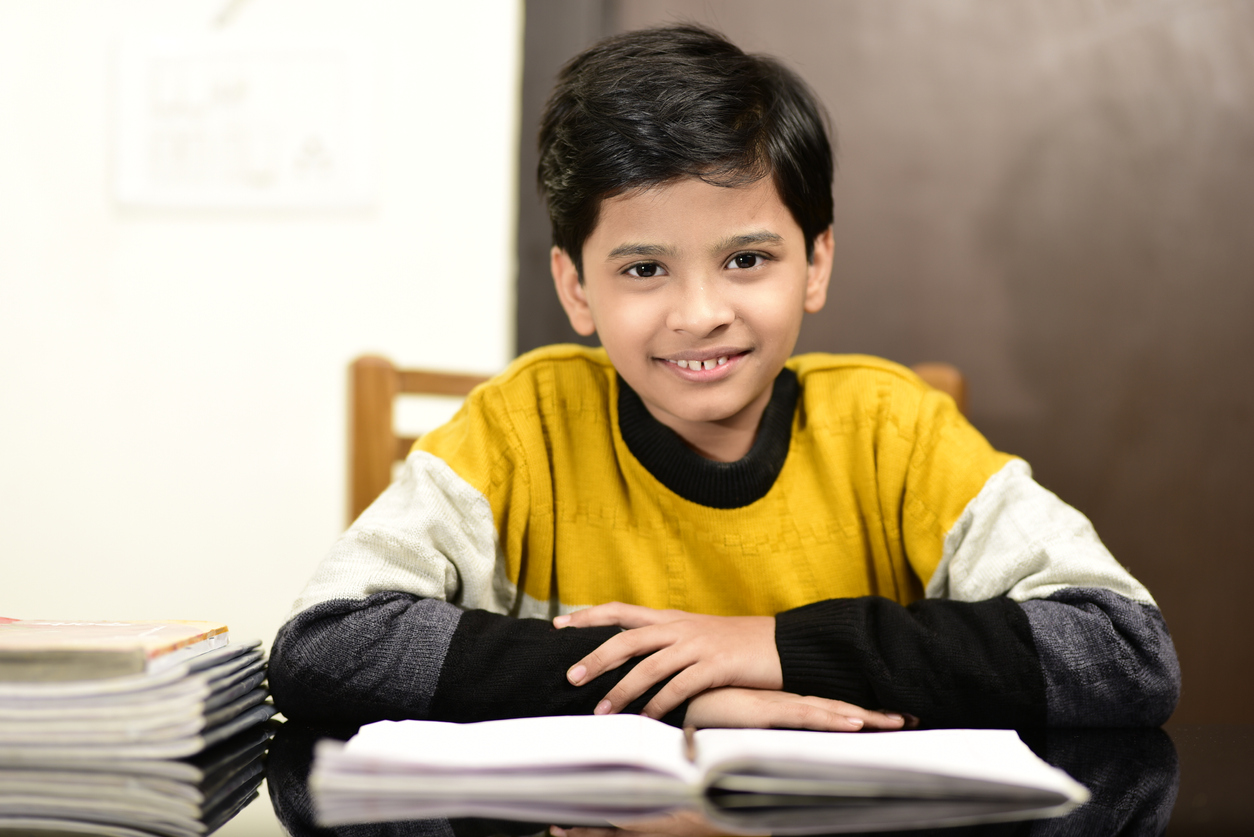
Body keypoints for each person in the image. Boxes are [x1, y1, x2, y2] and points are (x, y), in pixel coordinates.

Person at [268, 25, 1179, 731]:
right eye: (643, 269)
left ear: (816, 263)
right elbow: (323, 646)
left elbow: (1122, 650)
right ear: (574, 288)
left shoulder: (893, 428)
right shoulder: (520, 427)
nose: (700, 311)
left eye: (747, 258)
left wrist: (772, 648)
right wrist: (672, 688)